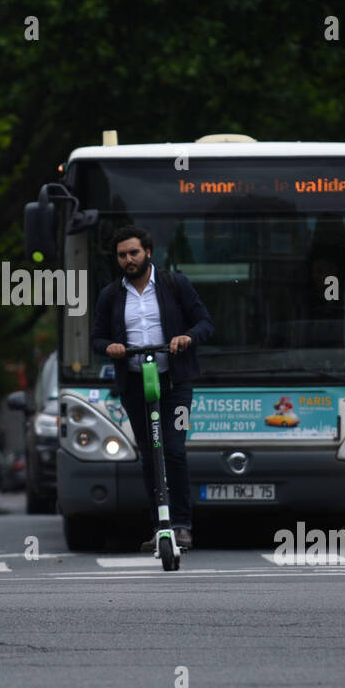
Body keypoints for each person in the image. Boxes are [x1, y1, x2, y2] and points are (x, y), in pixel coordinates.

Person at [91, 225, 214, 551]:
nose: (128, 260)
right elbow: (97, 338)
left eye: (133, 253)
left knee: (173, 450)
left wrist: (187, 337)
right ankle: (160, 526)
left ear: (148, 253)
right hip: (135, 385)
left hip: (175, 384)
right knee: (149, 454)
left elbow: (205, 323)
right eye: (122, 255)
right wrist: (111, 348)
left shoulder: (175, 284)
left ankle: (182, 525)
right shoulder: (110, 295)